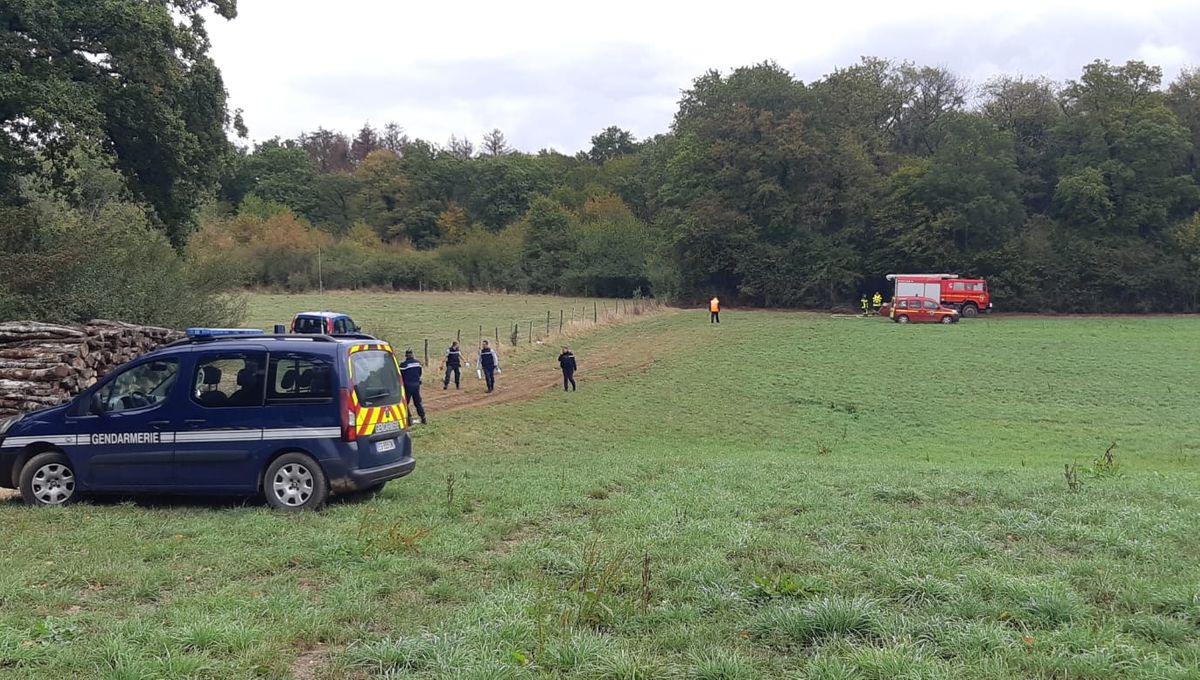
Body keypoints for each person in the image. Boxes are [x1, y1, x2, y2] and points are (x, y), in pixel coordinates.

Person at [398, 349, 427, 424]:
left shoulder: (403, 365)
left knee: (405, 403)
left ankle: (409, 419)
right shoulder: (418, 363)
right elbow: (420, 373)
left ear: (406, 356)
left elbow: (400, 375)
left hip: (407, 386)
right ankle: (423, 418)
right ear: (412, 354)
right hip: (416, 385)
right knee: (417, 402)